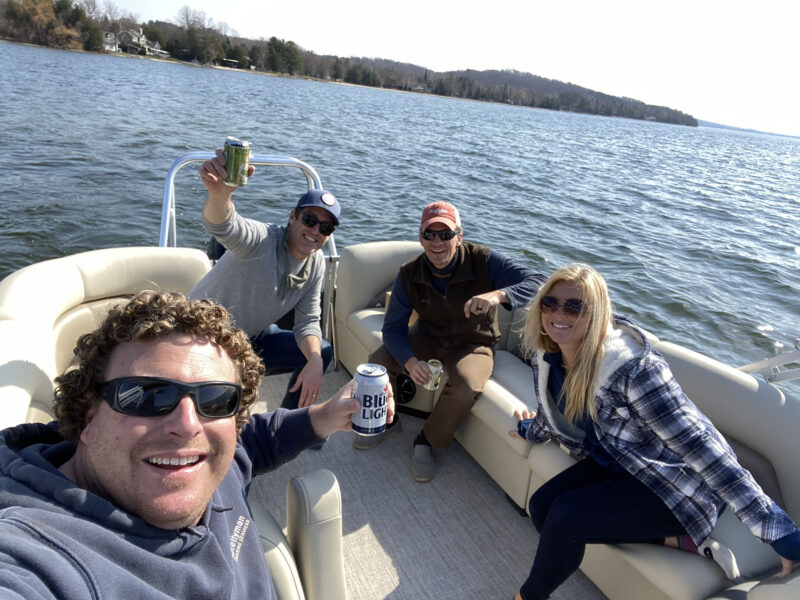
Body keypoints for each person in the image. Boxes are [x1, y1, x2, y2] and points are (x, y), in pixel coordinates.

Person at [0, 291, 394, 599]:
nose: (188, 425)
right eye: (147, 395)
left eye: (215, 400)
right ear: (88, 416)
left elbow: (255, 441)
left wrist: (325, 416)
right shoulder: (39, 554)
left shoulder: (212, 454)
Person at [509, 264, 800, 600]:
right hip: (620, 463)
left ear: (598, 313)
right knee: (542, 506)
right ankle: (678, 542)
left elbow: (703, 448)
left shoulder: (633, 370)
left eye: (574, 306)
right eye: (550, 303)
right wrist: (530, 429)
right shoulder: (552, 356)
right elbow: (554, 410)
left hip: (674, 484)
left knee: (564, 518)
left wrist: (778, 532)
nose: (559, 313)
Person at [360, 200, 544, 483]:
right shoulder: (409, 273)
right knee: (379, 363)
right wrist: (409, 361)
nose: (438, 242)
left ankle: (427, 440)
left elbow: (538, 282)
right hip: (428, 335)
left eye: (445, 234)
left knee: (466, 386)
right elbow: (393, 328)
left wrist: (498, 295)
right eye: (429, 234)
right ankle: (388, 420)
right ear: (420, 239)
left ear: (459, 236)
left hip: (473, 343)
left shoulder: (484, 260)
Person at [190, 147, 340, 410]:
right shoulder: (261, 240)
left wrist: (315, 361)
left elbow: (307, 322)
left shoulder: (316, 264)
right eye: (309, 219)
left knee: (321, 352)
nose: (315, 230)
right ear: (293, 217)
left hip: (251, 336)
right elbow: (224, 224)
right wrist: (221, 194)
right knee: (221, 407)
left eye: (325, 227)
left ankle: (290, 424)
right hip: (201, 339)